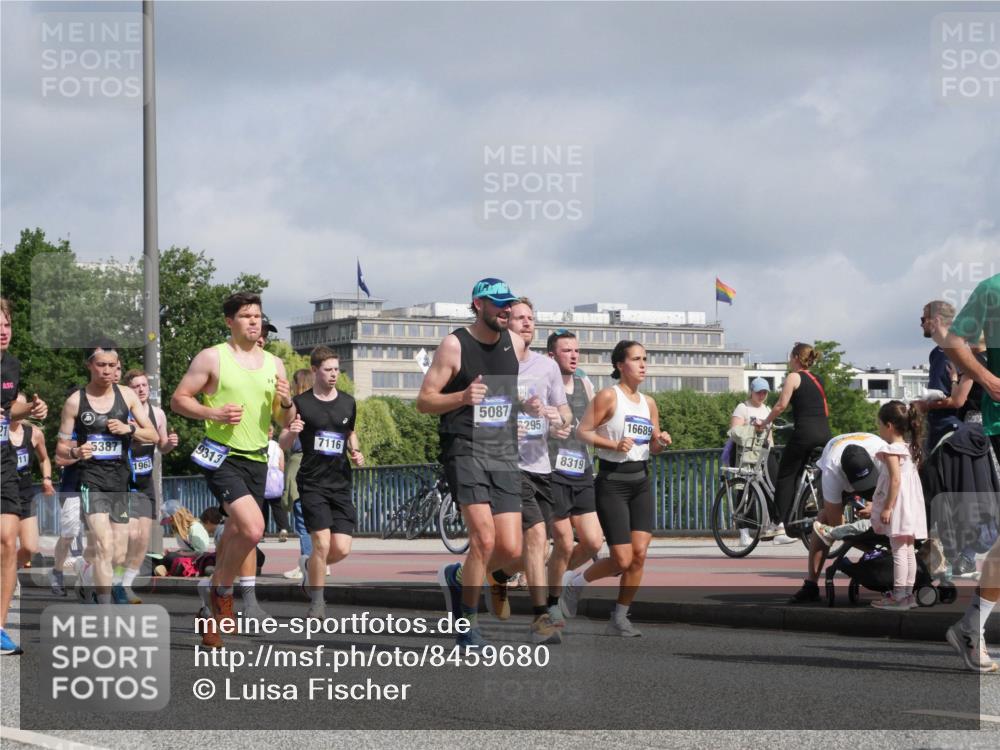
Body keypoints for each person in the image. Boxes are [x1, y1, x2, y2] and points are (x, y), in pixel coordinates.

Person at [170, 291, 290, 647]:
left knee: (240, 532)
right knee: (253, 528)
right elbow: (179, 399)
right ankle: (222, 593)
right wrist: (213, 413)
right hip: (221, 455)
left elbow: (284, 419)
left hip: (256, 457)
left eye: (258, 316)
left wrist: (287, 401)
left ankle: (214, 599)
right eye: (246, 316)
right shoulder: (213, 358)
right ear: (229, 321)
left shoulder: (275, 364)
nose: (254, 321)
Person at [417, 278, 527, 648]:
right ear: (478, 304)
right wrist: (462, 396)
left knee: (511, 550)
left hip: (502, 448)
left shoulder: (514, 342)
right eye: (498, 304)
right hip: (464, 446)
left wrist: (528, 410)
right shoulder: (454, 345)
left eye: (508, 304)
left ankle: (459, 576)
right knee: (484, 537)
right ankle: (467, 619)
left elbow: (510, 394)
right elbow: (425, 401)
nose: (505, 310)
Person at [559, 340, 672, 637]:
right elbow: (582, 432)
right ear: (620, 365)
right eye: (636, 359)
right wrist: (613, 444)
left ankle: (619, 617)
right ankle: (574, 583)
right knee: (621, 559)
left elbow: (653, 444)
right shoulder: (609, 396)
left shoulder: (648, 403)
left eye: (645, 358)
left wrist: (659, 443)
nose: (643, 364)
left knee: (640, 555)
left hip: (641, 482)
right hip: (612, 483)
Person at [485, 299, 570, 645]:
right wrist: (507, 424)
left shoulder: (547, 368)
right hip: (506, 463)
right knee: (537, 537)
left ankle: (496, 575)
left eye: (531, 318)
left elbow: (565, 414)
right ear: (506, 323)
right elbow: (480, 418)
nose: (527, 323)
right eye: (520, 317)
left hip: (541, 465)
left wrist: (558, 419)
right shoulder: (493, 364)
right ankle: (540, 619)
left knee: (533, 549)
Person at [55, 341, 158, 605]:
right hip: (91, 480)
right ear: (90, 365)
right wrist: (77, 453)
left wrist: (129, 430)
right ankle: (105, 609)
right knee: (103, 544)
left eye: (112, 365)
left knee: (119, 552)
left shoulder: (128, 396)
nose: (107, 370)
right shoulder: (75, 401)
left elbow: (154, 435)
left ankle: (84, 570)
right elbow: (60, 452)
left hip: (120, 480)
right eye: (101, 364)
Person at [943, 272, 1000, 672]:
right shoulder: (992, 289)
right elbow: (953, 340)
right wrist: (986, 378)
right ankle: (971, 626)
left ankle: (970, 625)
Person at [280, 347, 363, 620]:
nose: (334, 375)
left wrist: (355, 450)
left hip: (340, 481)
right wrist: (291, 434)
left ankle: (310, 568)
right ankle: (317, 602)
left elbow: (349, 432)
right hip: (312, 481)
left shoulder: (348, 402)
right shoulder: (300, 403)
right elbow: (282, 441)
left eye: (337, 370)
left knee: (342, 548)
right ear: (315, 371)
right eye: (328, 370)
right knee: (322, 544)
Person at [545, 329, 603, 628]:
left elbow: (597, 421)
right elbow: (522, 428)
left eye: (576, 350)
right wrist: (547, 430)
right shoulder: (541, 387)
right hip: (551, 473)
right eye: (566, 351)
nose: (574, 355)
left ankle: (552, 579)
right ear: (551, 356)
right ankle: (552, 603)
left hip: (581, 470)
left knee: (593, 542)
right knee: (564, 543)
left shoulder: (584, 383)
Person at [787, 432, 886, 602]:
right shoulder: (831, 472)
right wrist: (869, 546)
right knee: (824, 522)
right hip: (832, 458)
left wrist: (876, 507)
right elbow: (837, 526)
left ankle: (887, 558)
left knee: (889, 513)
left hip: (872, 463)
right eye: (858, 487)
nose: (861, 490)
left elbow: (895, 496)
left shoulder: (882, 455)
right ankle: (811, 585)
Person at [1, 297, 48, 655]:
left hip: (3, 462)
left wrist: (30, 408)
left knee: (9, 541)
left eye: (7, 325)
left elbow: (8, 408)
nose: (4, 331)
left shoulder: (10, 365)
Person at [758, 342, 833, 545]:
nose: (789, 361)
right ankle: (806, 503)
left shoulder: (794, 377)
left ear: (796, 358)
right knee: (804, 472)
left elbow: (781, 405)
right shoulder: (817, 379)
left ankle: (779, 525)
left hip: (805, 434)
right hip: (825, 434)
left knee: (786, 475)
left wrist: (765, 422)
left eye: (790, 357)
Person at [121, 369, 179, 603]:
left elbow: (161, 445)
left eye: (144, 385)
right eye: (137, 386)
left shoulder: (158, 414)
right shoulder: (123, 415)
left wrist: (170, 445)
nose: (142, 389)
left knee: (143, 538)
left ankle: (125, 585)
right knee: (129, 534)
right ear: (129, 391)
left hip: (146, 482)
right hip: (124, 480)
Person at [866, 401, 929, 609]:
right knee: (908, 549)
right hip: (911, 506)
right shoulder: (910, 448)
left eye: (880, 424)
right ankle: (907, 595)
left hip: (899, 506)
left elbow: (895, 480)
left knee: (899, 551)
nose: (879, 428)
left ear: (889, 426)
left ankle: (899, 596)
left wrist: (887, 507)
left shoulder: (891, 450)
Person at [8, 393, 55, 589]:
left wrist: (46, 479)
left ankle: (9, 570)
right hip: (4, 493)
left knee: (30, 547)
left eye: (22, 404)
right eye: (14, 404)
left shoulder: (34, 433)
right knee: (6, 543)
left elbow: (44, 459)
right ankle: (7, 580)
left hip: (25, 494)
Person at [730, 377, 782, 541]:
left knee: (771, 486)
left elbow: (770, 434)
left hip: (764, 453)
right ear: (751, 391)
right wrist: (754, 428)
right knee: (744, 491)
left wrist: (771, 447)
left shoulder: (767, 409)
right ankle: (744, 532)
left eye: (765, 392)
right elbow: (735, 431)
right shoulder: (743, 408)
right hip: (746, 455)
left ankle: (775, 524)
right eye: (759, 391)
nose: (762, 395)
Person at [281, 368, 315, 579]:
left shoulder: (297, 407)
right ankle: (320, 562)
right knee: (316, 517)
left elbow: (286, 440)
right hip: (320, 464)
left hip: (300, 461)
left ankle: (307, 561)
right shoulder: (322, 404)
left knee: (302, 516)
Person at [916, 301, 962, 451]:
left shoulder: (959, 350)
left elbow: (959, 400)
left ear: (936, 320)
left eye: (923, 319)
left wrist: (925, 405)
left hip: (952, 427)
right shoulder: (936, 353)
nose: (921, 324)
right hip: (936, 425)